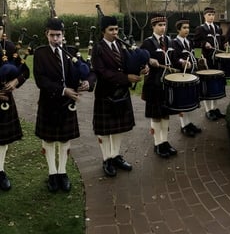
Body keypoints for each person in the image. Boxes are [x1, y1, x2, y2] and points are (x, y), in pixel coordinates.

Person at [34, 18, 89, 192]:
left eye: (58, 35)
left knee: (65, 139)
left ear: (63, 35)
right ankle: (52, 174)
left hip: (67, 105)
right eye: (52, 35)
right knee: (49, 139)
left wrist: (88, 82)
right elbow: (41, 80)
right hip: (49, 103)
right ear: (47, 35)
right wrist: (63, 90)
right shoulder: (40, 53)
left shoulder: (72, 51)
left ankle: (62, 172)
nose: (55, 39)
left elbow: (89, 70)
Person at [92, 15, 144, 177]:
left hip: (121, 93)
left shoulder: (121, 46)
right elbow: (102, 72)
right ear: (103, 32)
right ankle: (107, 159)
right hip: (105, 94)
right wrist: (125, 78)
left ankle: (115, 156)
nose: (115, 32)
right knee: (106, 131)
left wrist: (141, 69)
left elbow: (129, 65)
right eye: (111, 30)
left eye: (116, 29)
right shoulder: (98, 48)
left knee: (118, 129)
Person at [141, 17, 178, 158]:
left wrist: (181, 62)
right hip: (153, 84)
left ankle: (165, 141)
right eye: (160, 25)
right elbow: (139, 59)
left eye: (164, 25)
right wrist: (148, 60)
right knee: (156, 115)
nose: (163, 28)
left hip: (167, 83)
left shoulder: (169, 41)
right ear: (153, 27)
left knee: (165, 114)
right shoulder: (147, 43)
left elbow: (174, 59)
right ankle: (157, 144)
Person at [0, 24, 30, 191]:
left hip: (5, 100)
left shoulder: (10, 47)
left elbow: (24, 70)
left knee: (2, 140)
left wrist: (16, 81)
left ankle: (0, 170)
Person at [172, 20, 204, 136]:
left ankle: (189, 123)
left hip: (191, 74)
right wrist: (182, 62)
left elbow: (191, 55)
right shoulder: (174, 43)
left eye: (188, 28)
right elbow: (174, 58)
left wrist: (197, 60)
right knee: (182, 101)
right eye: (184, 28)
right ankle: (183, 125)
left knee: (190, 100)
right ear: (178, 30)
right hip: (181, 75)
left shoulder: (189, 41)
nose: (187, 30)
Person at [193, 7, 224, 120]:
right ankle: (208, 110)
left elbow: (221, 41)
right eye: (209, 14)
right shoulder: (200, 28)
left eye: (212, 14)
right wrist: (204, 43)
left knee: (215, 84)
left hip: (217, 60)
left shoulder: (217, 28)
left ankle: (215, 108)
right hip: (207, 60)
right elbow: (195, 42)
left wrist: (224, 44)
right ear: (204, 16)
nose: (211, 16)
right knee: (207, 85)